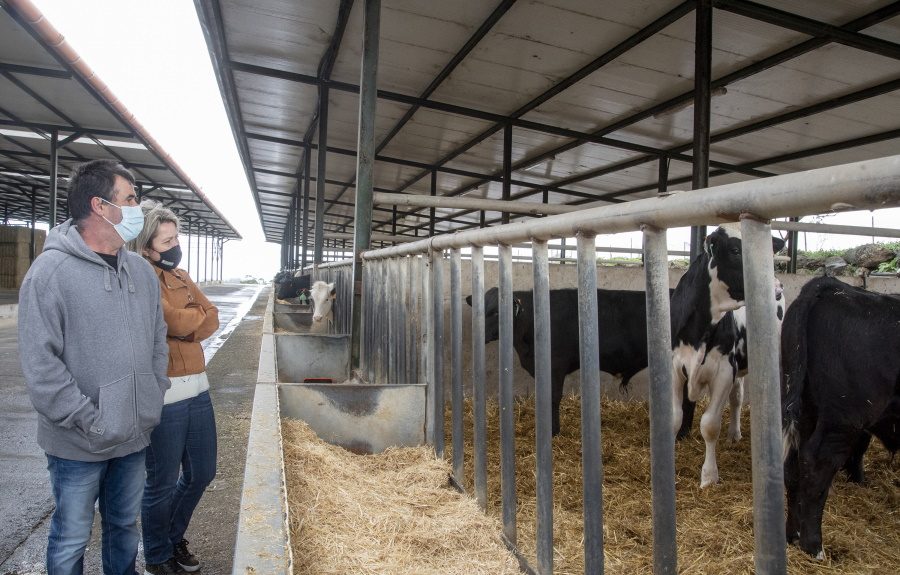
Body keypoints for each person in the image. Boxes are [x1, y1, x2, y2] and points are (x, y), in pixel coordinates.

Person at [18, 159, 169, 575]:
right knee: (71, 536)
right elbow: (40, 366)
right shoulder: (50, 274)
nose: (138, 207)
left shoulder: (139, 270)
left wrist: (152, 397)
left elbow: (158, 340)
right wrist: (91, 420)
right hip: (78, 443)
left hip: (134, 436)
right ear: (100, 206)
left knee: (124, 526)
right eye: (131, 198)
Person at [128, 200, 219, 575]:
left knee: (202, 472)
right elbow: (172, 320)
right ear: (147, 245)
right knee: (161, 481)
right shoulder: (140, 276)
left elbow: (210, 317)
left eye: (176, 237)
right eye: (167, 240)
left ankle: (171, 536)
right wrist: (187, 324)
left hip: (198, 387)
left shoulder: (181, 276)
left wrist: (187, 324)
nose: (175, 245)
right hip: (164, 395)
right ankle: (157, 556)